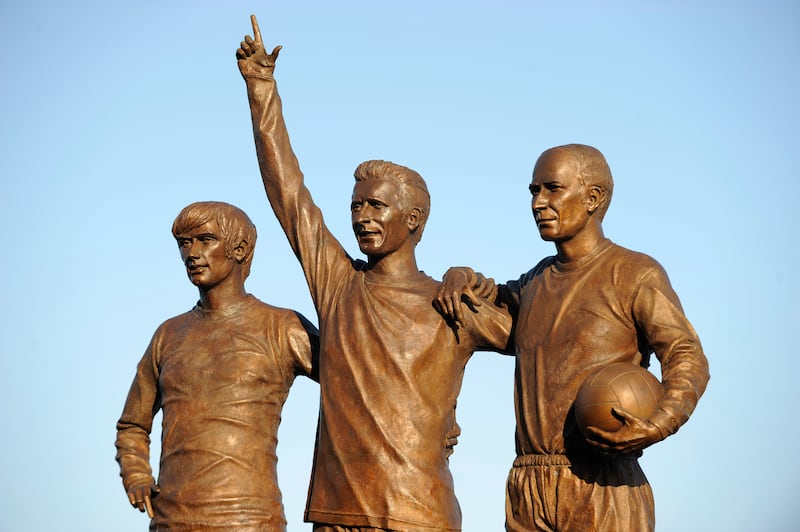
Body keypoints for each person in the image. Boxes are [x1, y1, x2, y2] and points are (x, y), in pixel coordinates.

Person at [236, 15, 512, 531]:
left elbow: (539, 339)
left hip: (419, 516)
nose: (362, 216)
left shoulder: (452, 303)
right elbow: (289, 194)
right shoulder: (340, 286)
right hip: (337, 513)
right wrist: (261, 90)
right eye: (357, 206)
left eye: (377, 206)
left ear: (413, 220)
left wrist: (473, 277)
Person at [435, 144, 710, 531]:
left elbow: (686, 353)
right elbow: (487, 296)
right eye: (533, 191)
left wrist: (661, 421)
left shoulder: (634, 273)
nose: (538, 203)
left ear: (593, 198)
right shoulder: (533, 283)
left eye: (552, 188)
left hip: (603, 482)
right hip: (528, 486)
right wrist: (461, 273)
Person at [115, 201, 319, 531]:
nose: (191, 254)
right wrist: (136, 474)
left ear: (239, 249)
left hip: (250, 520)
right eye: (184, 243)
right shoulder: (168, 334)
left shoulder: (282, 327)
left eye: (205, 240)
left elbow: (356, 379)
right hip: (172, 521)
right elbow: (132, 425)